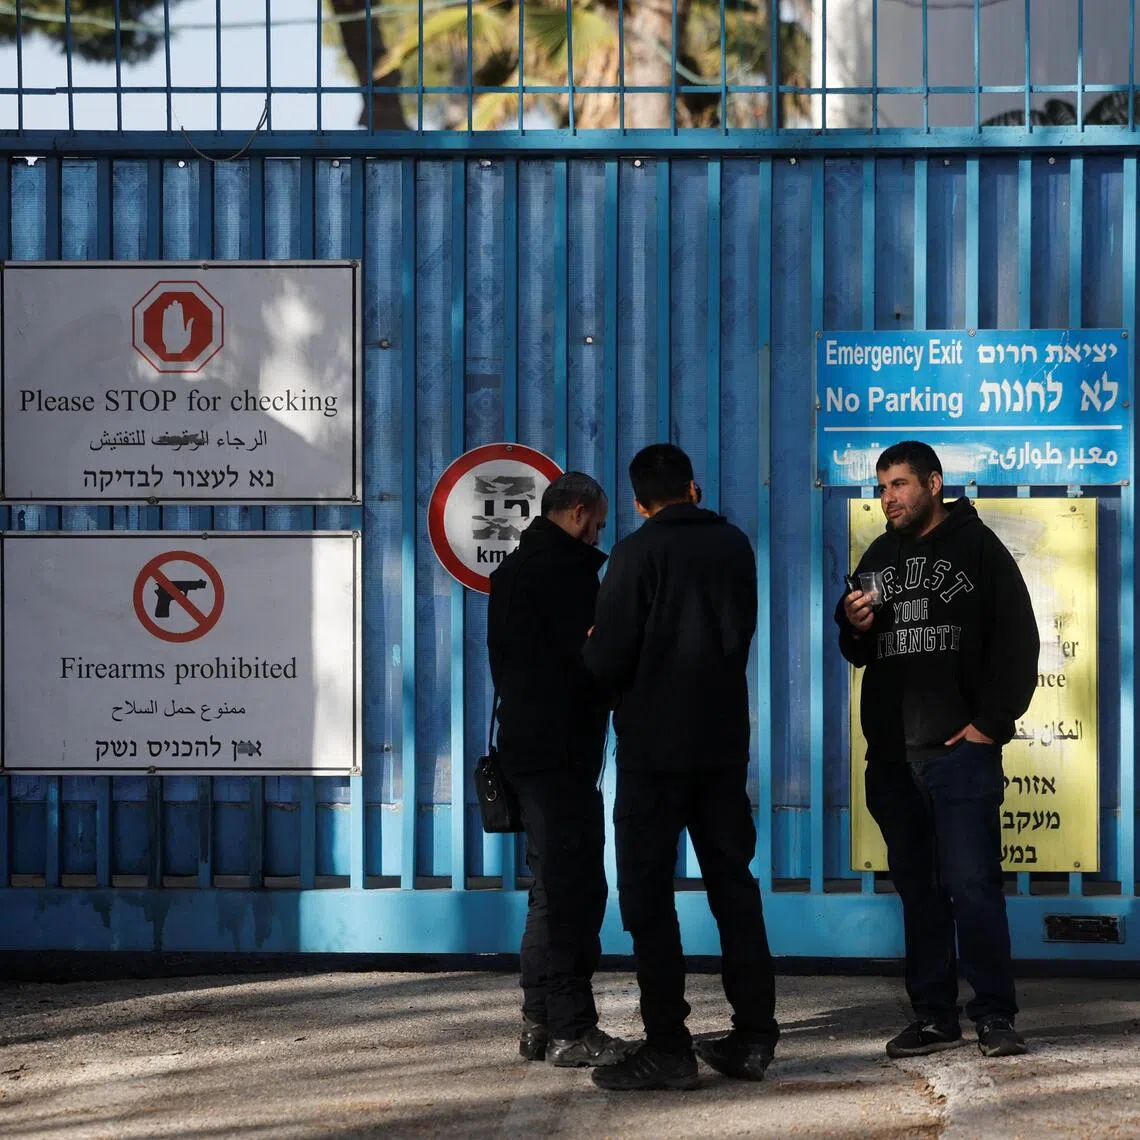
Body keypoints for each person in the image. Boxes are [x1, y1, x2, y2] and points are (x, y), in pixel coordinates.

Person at [581, 443, 779, 1092]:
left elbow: (607, 659)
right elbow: (740, 631)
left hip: (653, 754)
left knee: (647, 896)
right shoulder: (735, 546)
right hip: (722, 748)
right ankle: (753, 1037)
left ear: (639, 501)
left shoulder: (634, 555)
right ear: (694, 488)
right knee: (734, 890)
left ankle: (669, 1045)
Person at [837, 440, 1039, 1060]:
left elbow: (1019, 639)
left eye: (898, 484)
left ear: (933, 483)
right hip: (895, 760)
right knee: (919, 890)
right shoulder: (879, 554)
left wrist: (989, 726)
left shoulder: (978, 548)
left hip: (960, 756)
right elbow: (857, 648)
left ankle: (995, 1016)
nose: (888, 498)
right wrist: (854, 622)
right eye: (881, 487)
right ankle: (933, 1015)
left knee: (973, 886)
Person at [486, 471, 624, 1068]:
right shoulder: (569, 575)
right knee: (574, 890)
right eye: (597, 518)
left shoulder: (510, 574)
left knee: (548, 889)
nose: (601, 530)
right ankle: (572, 1028)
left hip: (522, 749)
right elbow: (591, 661)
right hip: (561, 755)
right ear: (576, 512)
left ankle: (538, 1021)